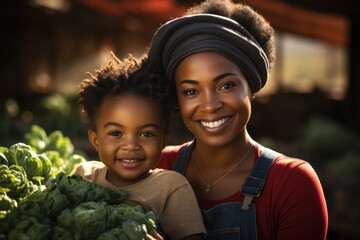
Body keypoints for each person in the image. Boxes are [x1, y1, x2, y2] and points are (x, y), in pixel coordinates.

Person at [147, 0, 328, 239]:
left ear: (251, 87)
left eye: (226, 86)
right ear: (177, 100)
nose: (210, 105)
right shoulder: (156, 166)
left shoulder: (292, 183)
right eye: (191, 91)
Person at [73, 53, 206, 240]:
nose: (130, 145)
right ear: (95, 140)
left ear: (164, 141)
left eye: (146, 134)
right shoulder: (84, 177)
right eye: (115, 133)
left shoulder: (171, 188)